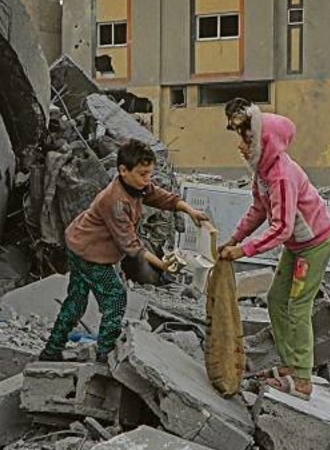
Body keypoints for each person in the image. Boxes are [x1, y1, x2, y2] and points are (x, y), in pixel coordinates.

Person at [40, 138, 211, 361]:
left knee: (76, 300)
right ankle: (105, 354)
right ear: (123, 170)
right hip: (88, 252)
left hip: (80, 242)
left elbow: (160, 196)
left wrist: (190, 211)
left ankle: (51, 351)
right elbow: (129, 243)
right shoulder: (115, 201)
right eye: (142, 174)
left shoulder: (136, 185)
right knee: (116, 297)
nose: (147, 179)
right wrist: (163, 264)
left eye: (149, 173)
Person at [217, 101, 330, 399]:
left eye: (246, 139)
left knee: (297, 306)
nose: (240, 146)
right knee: (275, 299)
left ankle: (303, 378)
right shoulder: (263, 172)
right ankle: (290, 364)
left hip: (314, 245)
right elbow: (258, 210)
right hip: (298, 245)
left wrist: (243, 251)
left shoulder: (281, 176)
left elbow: (281, 228)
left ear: (262, 141)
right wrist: (233, 239)